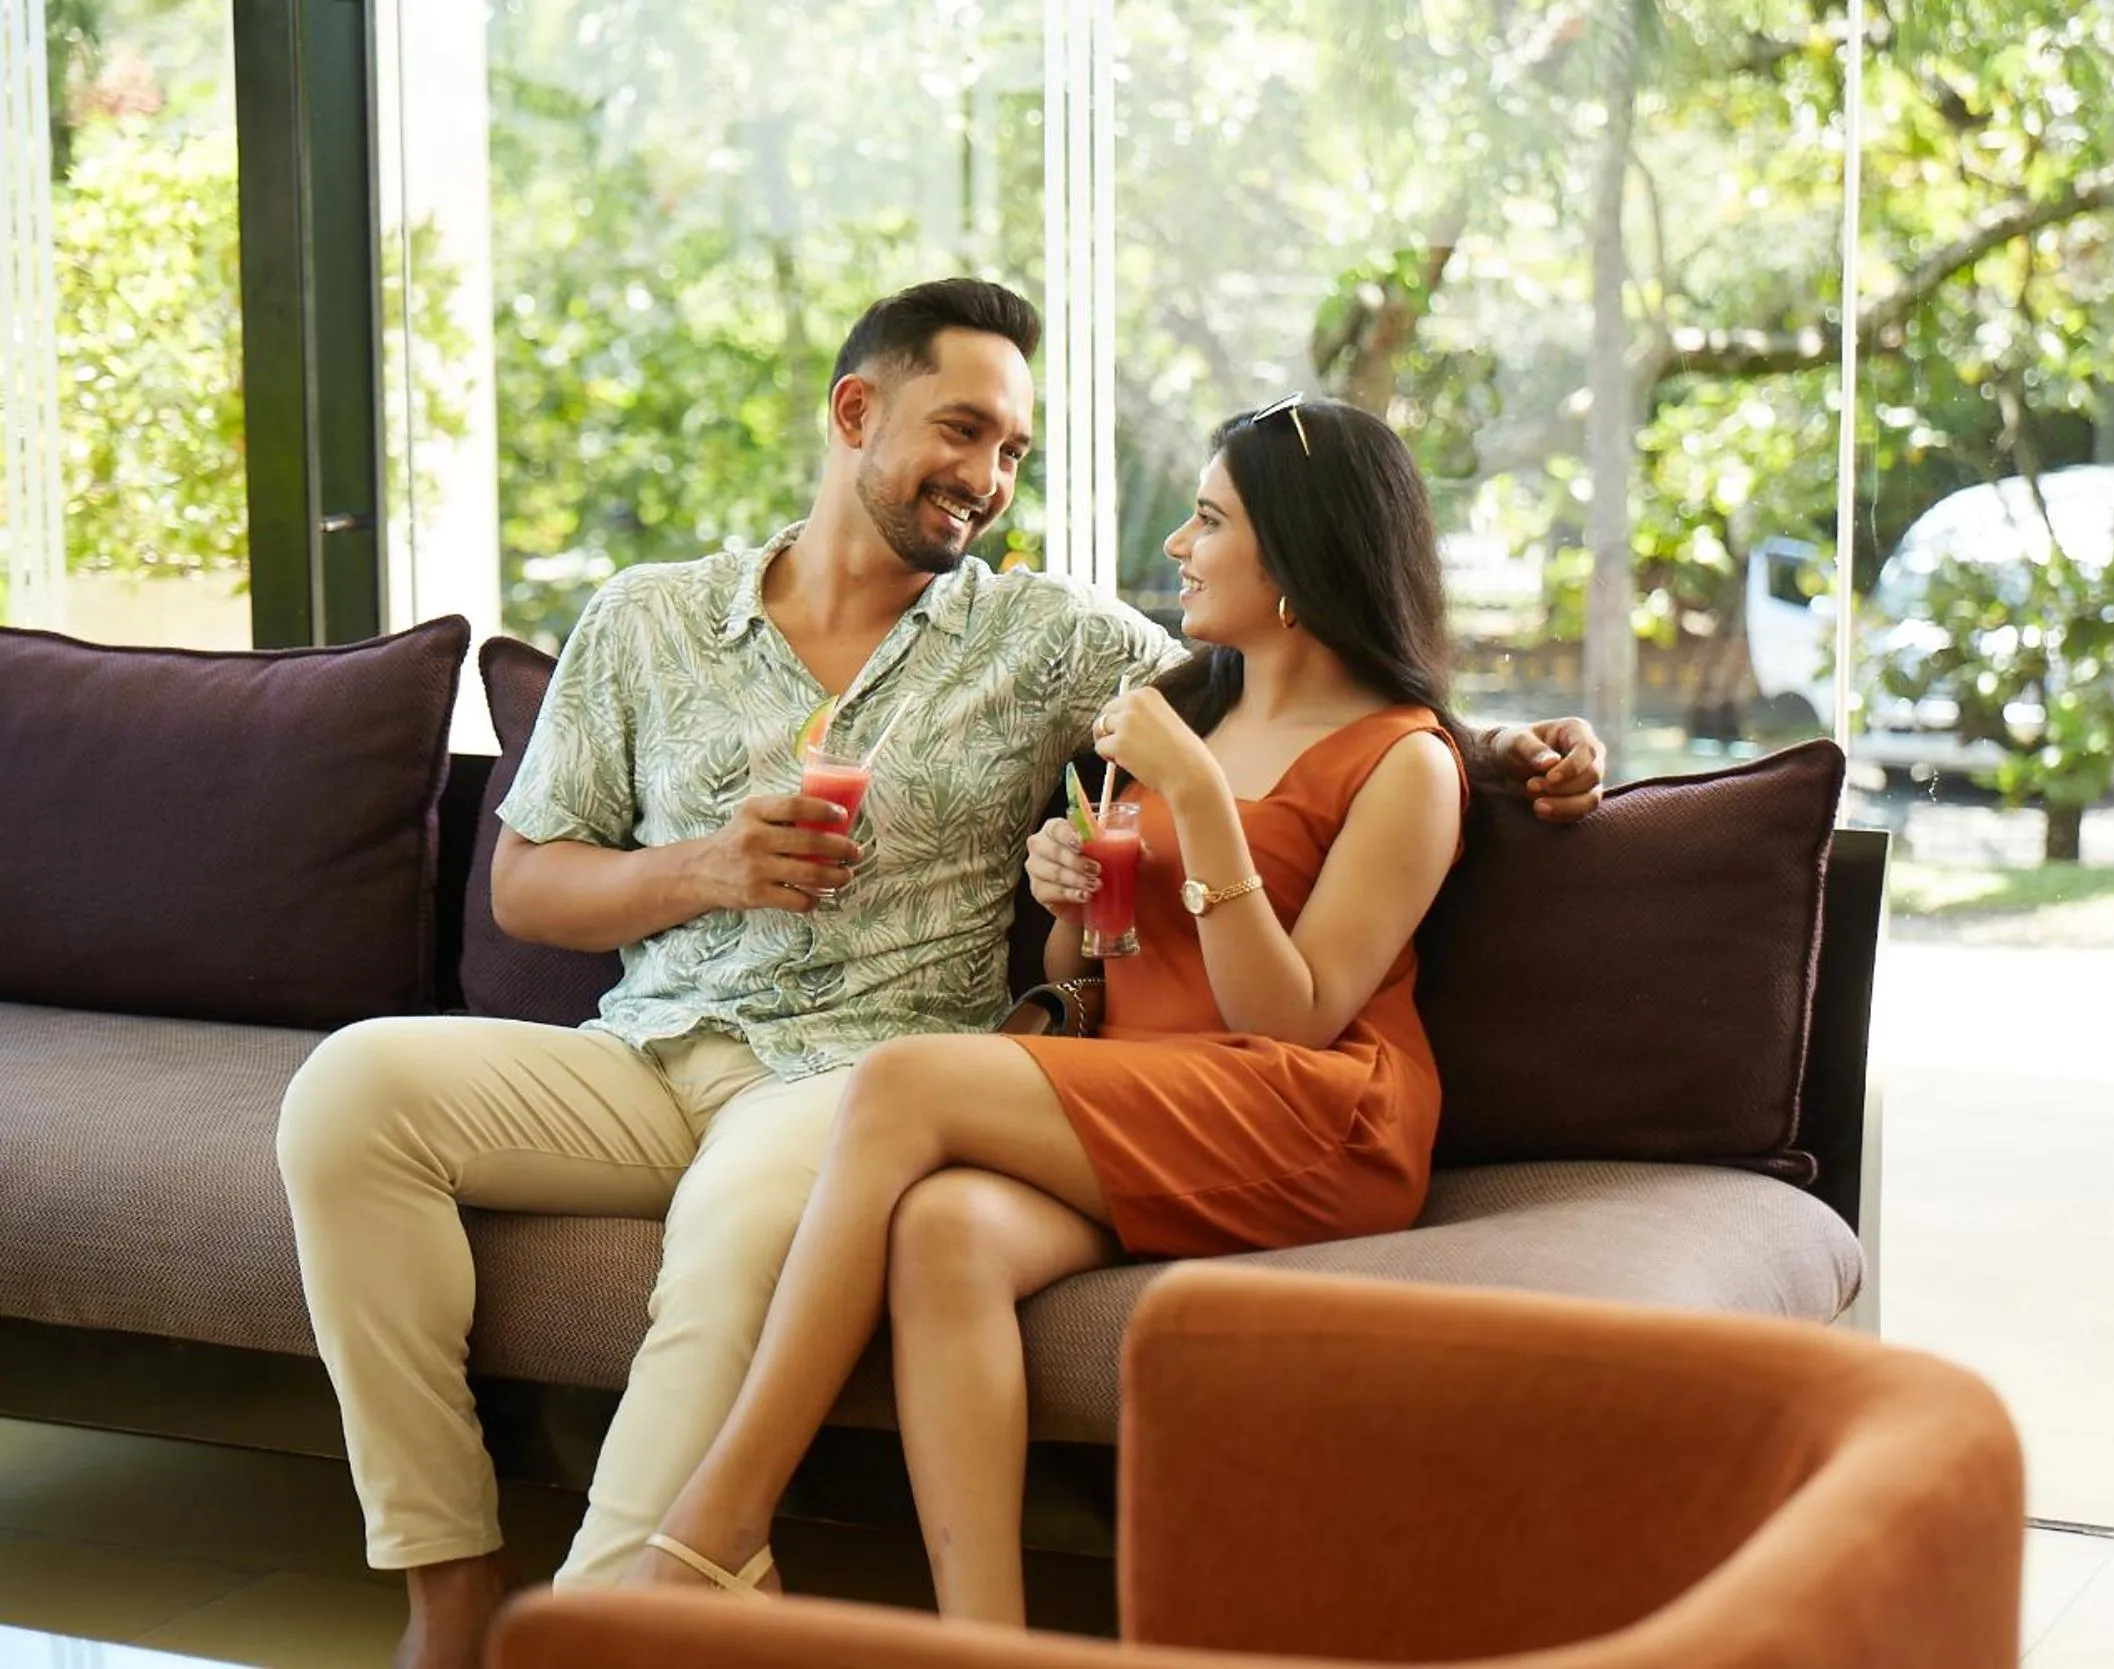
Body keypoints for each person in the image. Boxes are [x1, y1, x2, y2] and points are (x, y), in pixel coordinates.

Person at [273, 278, 1603, 1669]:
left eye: (1013, 451)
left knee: (737, 1231)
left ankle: (623, 1610)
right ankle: (452, 1587)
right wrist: (706, 869)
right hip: (646, 1050)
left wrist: (1509, 750)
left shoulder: (1046, 639)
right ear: (856, 412)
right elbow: (525, 884)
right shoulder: (643, 619)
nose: (985, 478)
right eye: (961, 431)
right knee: (349, 1093)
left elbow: (1317, 684)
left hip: (856, 1072)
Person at [630, 395, 1497, 1624]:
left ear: (1300, 554)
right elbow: (1105, 971)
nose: (1178, 549)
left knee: (902, 1082)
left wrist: (1194, 800)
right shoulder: (1186, 710)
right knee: (944, 1231)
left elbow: (1288, 1016)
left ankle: (718, 1520)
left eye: (1207, 521)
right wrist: (1071, 901)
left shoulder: (1403, 759)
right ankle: (984, 1641)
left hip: (1315, 1117)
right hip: (1153, 1089)